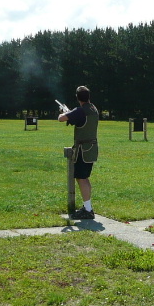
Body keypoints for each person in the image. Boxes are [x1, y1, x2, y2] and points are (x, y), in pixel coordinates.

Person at [58, 85, 99, 220]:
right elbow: (80, 120)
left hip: (83, 150)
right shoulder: (93, 109)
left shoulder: (80, 111)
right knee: (84, 177)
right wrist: (71, 114)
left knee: (81, 178)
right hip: (91, 148)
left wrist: (65, 112)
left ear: (77, 97)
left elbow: (61, 118)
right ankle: (87, 207)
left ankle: (88, 209)